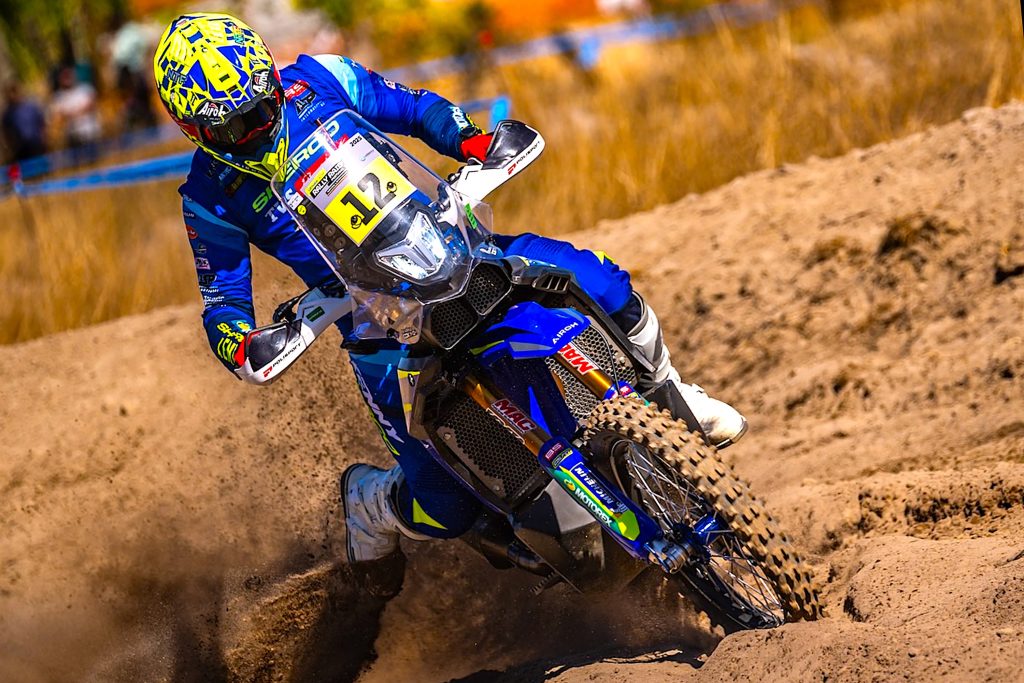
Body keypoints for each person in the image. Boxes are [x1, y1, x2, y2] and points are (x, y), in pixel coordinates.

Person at [153, 12, 746, 598]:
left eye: (262, 107)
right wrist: (242, 343)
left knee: (603, 284)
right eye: (236, 127)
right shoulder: (208, 197)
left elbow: (415, 109)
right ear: (194, 130)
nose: (257, 128)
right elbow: (221, 300)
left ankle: (670, 395)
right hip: (375, 325)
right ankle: (372, 503)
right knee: (444, 507)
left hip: (452, 249)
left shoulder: (320, 77)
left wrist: (472, 141)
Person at [2, 83, 46, 162]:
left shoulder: (31, 106)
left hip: (36, 145)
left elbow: (42, 122)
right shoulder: (7, 113)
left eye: (15, 92)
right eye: (10, 93)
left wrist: (43, 138)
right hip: (19, 149)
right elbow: (6, 131)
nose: (13, 96)